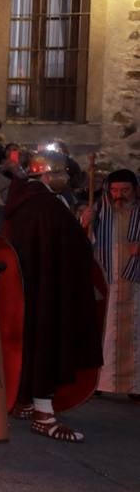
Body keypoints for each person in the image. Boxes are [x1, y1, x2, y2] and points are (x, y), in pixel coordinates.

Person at [3, 149, 104, 442]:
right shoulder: (45, 205)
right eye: (62, 174)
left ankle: (26, 402)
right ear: (47, 174)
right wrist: (82, 230)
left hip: (30, 287)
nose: (66, 179)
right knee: (46, 344)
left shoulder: (26, 200)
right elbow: (71, 247)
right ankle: (43, 414)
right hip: (45, 288)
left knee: (32, 343)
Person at [81, 169, 139, 398]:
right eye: (115, 190)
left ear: (135, 191)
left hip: (136, 285)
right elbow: (84, 243)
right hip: (109, 283)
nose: (119, 195)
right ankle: (102, 383)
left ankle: (136, 386)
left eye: (125, 190)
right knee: (106, 334)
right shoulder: (99, 212)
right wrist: (85, 223)